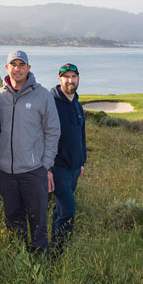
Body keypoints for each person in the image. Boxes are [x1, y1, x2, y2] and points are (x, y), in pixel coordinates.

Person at [0, 50, 60, 254]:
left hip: (33, 170)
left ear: (29, 68)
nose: (18, 68)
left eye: (22, 65)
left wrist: (45, 164)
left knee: (38, 220)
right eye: (14, 64)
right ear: (7, 68)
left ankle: (40, 262)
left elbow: (53, 131)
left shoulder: (43, 96)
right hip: (5, 171)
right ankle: (18, 261)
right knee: (13, 219)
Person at [49, 63, 86, 253]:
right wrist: (47, 167)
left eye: (73, 76)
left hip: (74, 168)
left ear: (78, 78)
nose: (70, 80)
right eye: (66, 77)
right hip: (58, 167)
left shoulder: (77, 104)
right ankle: (59, 253)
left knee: (60, 210)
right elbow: (43, 134)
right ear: (59, 79)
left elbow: (81, 135)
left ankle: (55, 245)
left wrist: (82, 162)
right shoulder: (51, 102)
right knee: (69, 211)